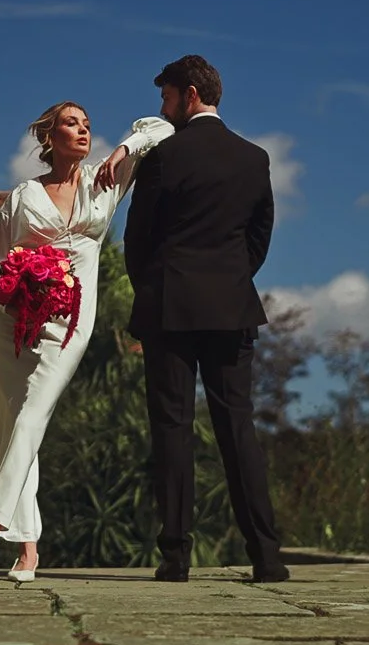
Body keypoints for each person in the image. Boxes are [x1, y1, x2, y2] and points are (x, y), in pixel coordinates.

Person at [0, 102, 173, 584]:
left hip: (70, 323)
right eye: (72, 123)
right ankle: (28, 551)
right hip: (12, 322)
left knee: (32, 417)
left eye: (87, 124)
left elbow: (163, 127)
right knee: (8, 428)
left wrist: (125, 149)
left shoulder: (104, 181)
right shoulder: (23, 196)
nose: (83, 130)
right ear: (48, 137)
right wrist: (8, 290)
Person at [112, 54, 290, 584]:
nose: (163, 109)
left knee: (172, 429)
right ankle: (267, 556)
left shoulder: (166, 157)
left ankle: (175, 558)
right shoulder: (253, 158)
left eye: (166, 97)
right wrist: (231, 280)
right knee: (238, 427)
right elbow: (260, 238)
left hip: (170, 306)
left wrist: (154, 288)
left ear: (189, 94)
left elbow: (137, 238)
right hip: (232, 307)